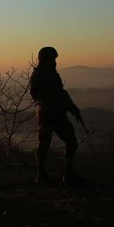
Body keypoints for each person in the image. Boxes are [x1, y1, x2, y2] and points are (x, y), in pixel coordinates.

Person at [29, 46, 85, 185]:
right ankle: (41, 174)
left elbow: (61, 94)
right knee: (44, 145)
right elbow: (36, 94)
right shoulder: (39, 76)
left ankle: (68, 173)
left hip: (58, 115)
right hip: (48, 116)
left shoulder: (53, 74)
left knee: (71, 142)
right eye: (53, 59)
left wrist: (73, 109)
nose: (55, 62)